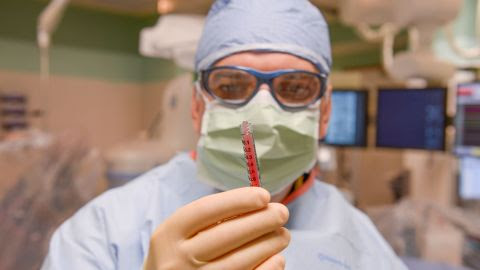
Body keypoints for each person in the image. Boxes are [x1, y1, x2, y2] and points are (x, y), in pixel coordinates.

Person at [41, 0, 408, 269]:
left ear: (325, 112)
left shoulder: (358, 238)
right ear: (197, 107)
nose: (262, 113)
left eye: (295, 87)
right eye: (232, 85)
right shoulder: (101, 233)